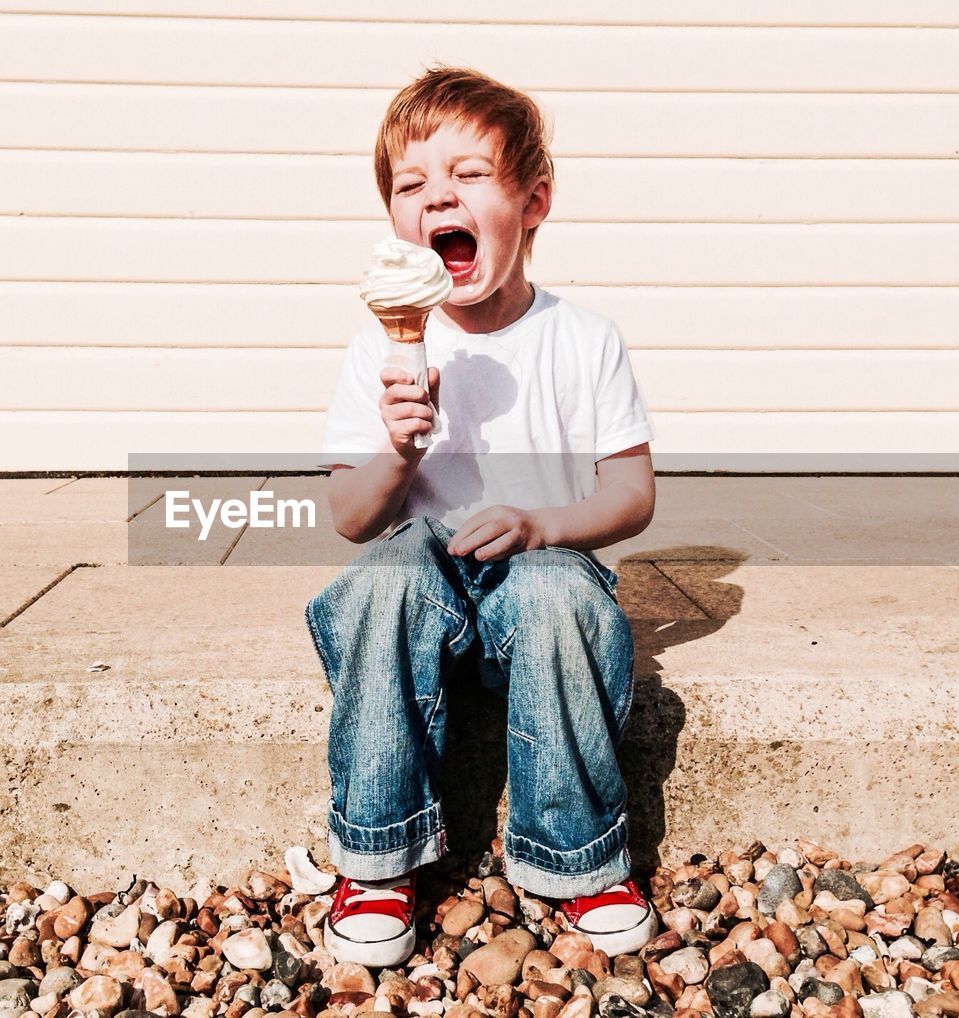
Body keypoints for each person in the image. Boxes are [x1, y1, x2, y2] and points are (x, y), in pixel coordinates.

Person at [304, 66, 660, 968]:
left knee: (558, 599)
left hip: (535, 571)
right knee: (378, 582)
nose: (437, 198)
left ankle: (580, 857)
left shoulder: (583, 341)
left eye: (468, 176)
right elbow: (350, 519)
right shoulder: (377, 350)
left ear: (533, 201)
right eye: (411, 185)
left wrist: (544, 525)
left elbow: (632, 494)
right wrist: (399, 452)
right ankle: (378, 860)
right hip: (422, 584)